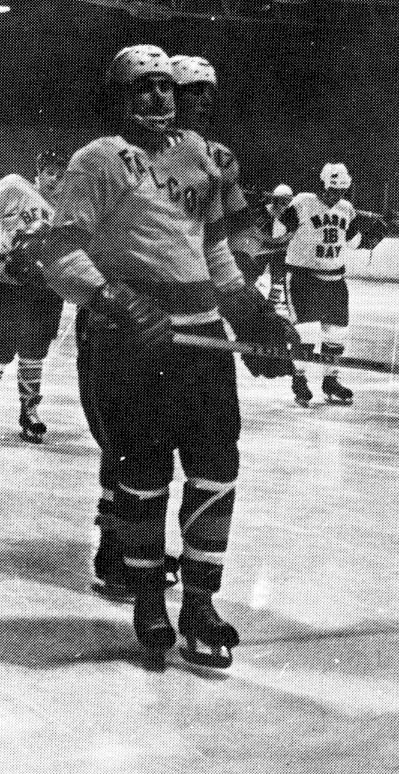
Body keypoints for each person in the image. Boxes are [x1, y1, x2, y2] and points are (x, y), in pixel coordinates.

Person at [37, 43, 296, 670]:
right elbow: (58, 249)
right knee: (144, 469)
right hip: (133, 343)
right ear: (120, 97)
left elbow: (214, 252)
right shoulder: (98, 161)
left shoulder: (198, 157)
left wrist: (253, 314)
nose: (157, 97)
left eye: (164, 86)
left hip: (201, 337)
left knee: (217, 465)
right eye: (142, 87)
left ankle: (200, 600)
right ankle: (150, 591)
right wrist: (111, 298)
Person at [276, 162, 399, 406]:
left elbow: (354, 243)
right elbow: (278, 231)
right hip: (302, 278)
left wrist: (380, 230)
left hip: (335, 280)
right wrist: (277, 214)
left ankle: (330, 379)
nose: (335, 196)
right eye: (331, 190)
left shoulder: (346, 209)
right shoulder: (303, 202)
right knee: (304, 333)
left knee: (337, 333)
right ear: (322, 186)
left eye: (340, 191)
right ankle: (300, 380)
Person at [0, 150, 66, 445]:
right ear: (39, 171)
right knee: (2, 345)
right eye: (50, 173)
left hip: (47, 287)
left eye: (61, 175)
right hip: (11, 282)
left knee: (35, 350)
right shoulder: (15, 187)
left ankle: (29, 410)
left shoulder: (70, 207)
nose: (56, 180)